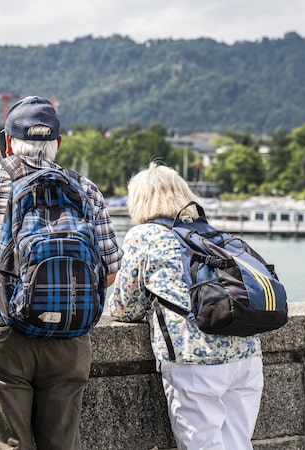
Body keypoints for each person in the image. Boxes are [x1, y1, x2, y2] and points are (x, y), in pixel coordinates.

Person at [0, 96, 123, 449]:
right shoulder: (85, 189)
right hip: (68, 335)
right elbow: (110, 272)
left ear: (8, 141)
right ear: (58, 144)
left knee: (10, 445)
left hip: (1, 330)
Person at [108, 162, 264, 450]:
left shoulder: (144, 236)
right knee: (239, 444)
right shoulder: (209, 232)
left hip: (195, 360)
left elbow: (123, 308)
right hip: (246, 354)